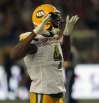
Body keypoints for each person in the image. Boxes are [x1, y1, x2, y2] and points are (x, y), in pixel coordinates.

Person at [9, 4, 79, 103]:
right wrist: (34, 32)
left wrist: (67, 35)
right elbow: (14, 55)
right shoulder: (34, 39)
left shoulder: (53, 38)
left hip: (58, 91)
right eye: (54, 19)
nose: (58, 22)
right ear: (43, 21)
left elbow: (65, 57)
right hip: (42, 92)